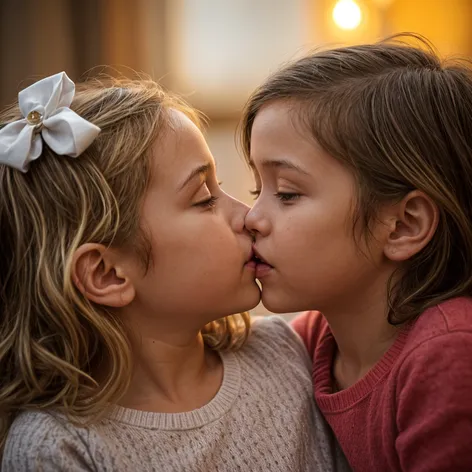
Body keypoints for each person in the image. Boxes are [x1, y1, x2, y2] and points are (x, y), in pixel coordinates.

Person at [0, 72, 345, 471]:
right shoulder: (56, 447)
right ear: (107, 274)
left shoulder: (284, 352)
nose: (248, 216)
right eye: (203, 199)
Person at [242, 34, 472, 472]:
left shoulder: (448, 355)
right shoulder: (310, 341)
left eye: (287, 193)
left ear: (404, 225)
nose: (252, 217)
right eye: (258, 189)